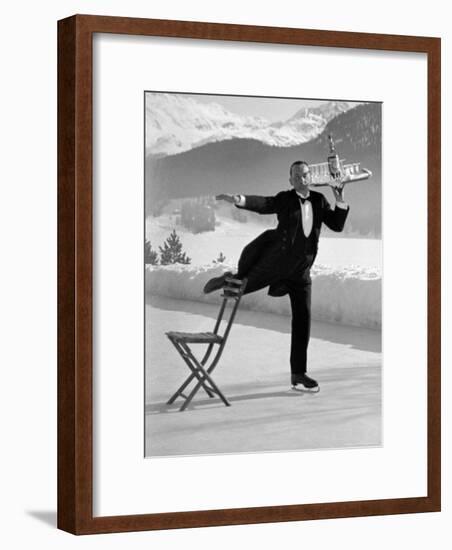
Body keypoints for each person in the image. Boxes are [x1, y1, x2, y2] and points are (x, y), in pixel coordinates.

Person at [203, 160, 350, 390]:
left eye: (305, 175)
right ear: (290, 180)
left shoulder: (320, 200)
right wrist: (240, 200)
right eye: (297, 176)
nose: (302, 179)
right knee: (242, 286)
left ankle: (298, 374)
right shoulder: (285, 198)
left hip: (301, 271)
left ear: (310, 177)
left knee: (303, 321)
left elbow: (337, 225)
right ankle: (228, 278)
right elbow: (264, 203)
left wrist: (339, 198)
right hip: (277, 263)